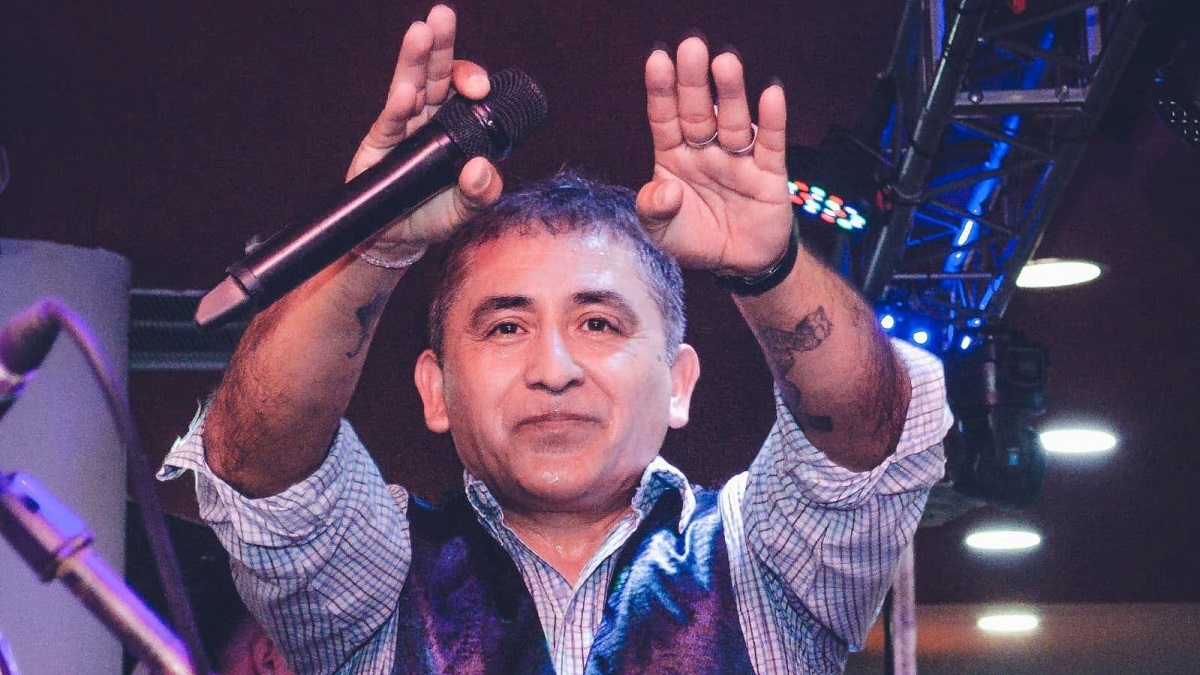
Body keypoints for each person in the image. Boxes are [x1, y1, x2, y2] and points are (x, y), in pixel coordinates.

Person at [160, 5, 952, 673]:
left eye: (599, 323)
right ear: (436, 389)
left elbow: (866, 431)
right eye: (506, 326)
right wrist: (371, 246)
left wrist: (771, 270)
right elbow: (259, 458)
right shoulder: (376, 583)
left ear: (679, 381)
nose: (554, 367)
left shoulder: (763, 567)